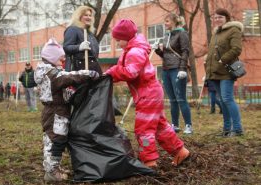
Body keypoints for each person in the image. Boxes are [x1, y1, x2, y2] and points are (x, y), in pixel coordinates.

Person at [104, 19, 190, 168]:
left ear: (127, 37)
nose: (117, 43)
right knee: (160, 126)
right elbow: (122, 69)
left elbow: (131, 73)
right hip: (151, 93)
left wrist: (112, 73)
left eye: (118, 40)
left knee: (143, 129)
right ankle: (179, 152)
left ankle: (149, 161)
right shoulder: (130, 50)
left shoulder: (134, 52)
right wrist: (111, 74)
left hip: (147, 95)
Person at [34, 38, 99, 181]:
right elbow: (70, 77)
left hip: (57, 111)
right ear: (52, 58)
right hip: (56, 113)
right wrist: (88, 73)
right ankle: (51, 172)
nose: (64, 59)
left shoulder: (49, 73)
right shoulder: (53, 75)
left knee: (57, 138)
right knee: (55, 139)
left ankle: (54, 167)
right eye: (60, 57)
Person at [204, 8, 244, 137]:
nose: (217, 20)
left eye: (220, 17)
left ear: (227, 18)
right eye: (215, 18)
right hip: (214, 72)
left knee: (227, 99)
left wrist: (223, 59)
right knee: (222, 101)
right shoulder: (216, 33)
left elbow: (236, 49)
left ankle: (237, 129)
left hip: (226, 71)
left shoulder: (234, 30)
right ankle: (227, 129)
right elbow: (212, 53)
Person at [152, 13, 193, 134]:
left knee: (181, 98)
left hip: (177, 69)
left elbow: (185, 52)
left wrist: (182, 68)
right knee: (172, 100)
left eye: (167, 21)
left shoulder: (182, 33)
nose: (165, 23)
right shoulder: (166, 35)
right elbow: (166, 55)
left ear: (175, 22)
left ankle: (188, 125)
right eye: (165, 21)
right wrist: (158, 50)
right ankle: (174, 125)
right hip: (166, 70)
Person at [63, 5, 102, 74]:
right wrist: (79, 47)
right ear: (79, 16)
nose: (88, 17)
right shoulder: (72, 29)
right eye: (85, 15)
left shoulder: (89, 33)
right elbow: (66, 47)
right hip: (79, 70)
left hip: (92, 69)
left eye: (90, 15)